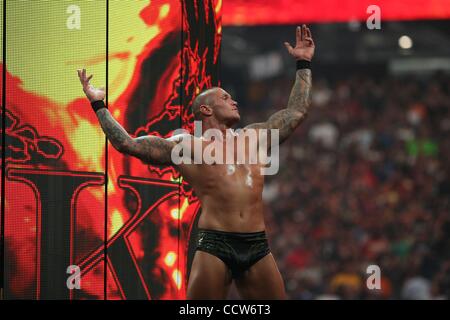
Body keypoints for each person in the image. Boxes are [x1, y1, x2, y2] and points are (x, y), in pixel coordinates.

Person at [77, 25, 315, 299]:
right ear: (206, 109)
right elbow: (127, 143)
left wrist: (303, 62)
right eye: (225, 98)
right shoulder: (188, 147)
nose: (234, 101)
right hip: (216, 243)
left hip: (257, 243)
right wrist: (99, 105)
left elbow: (296, 112)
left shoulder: (254, 137)